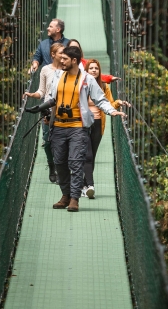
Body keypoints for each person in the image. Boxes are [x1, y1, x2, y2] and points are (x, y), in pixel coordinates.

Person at [47, 46, 126, 212]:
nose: (61, 61)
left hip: (78, 126)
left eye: (64, 59)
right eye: (61, 58)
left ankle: (74, 198)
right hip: (58, 126)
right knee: (59, 162)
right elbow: (50, 97)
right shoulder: (58, 75)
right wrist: (44, 110)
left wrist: (112, 111)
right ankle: (65, 195)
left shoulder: (87, 79)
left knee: (75, 162)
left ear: (74, 61)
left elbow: (100, 99)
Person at [82, 59, 130, 199]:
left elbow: (108, 104)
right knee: (87, 155)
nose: (94, 70)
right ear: (86, 70)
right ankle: (90, 185)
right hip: (83, 123)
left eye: (96, 68)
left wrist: (118, 103)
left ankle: (85, 186)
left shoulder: (104, 86)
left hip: (98, 123)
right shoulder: (82, 85)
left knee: (92, 155)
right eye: (91, 68)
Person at [23, 43, 64, 183]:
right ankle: (51, 165)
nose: (64, 55)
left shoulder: (68, 70)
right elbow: (41, 91)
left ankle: (59, 169)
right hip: (47, 110)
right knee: (47, 143)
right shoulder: (45, 69)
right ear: (53, 55)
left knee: (60, 143)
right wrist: (31, 94)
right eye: (61, 53)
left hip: (62, 112)